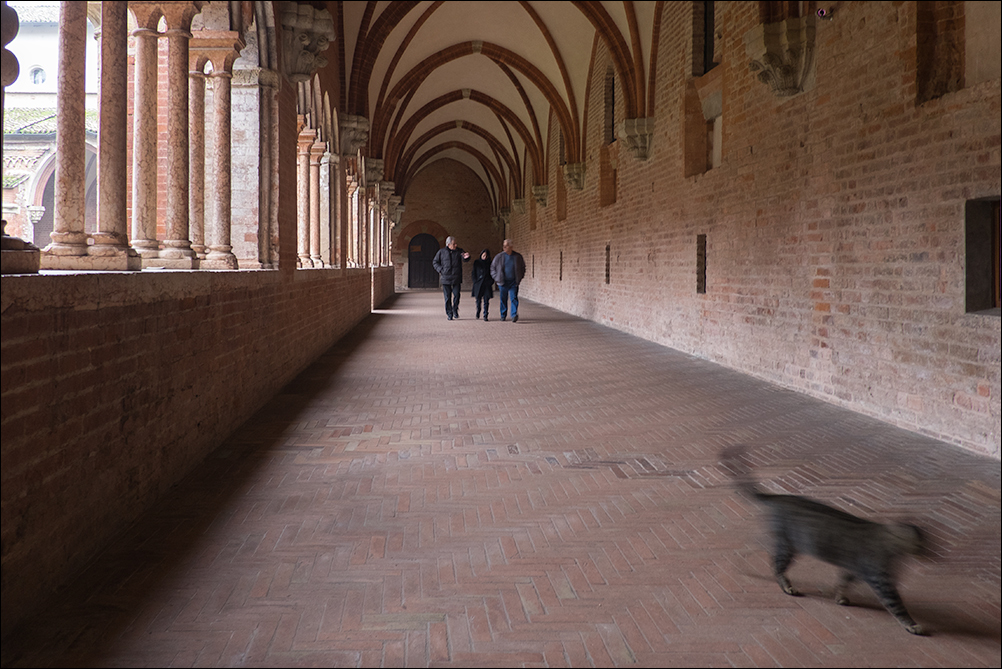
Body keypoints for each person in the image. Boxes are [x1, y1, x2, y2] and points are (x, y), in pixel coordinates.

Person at [432, 236, 470, 320]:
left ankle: (455, 310)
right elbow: (435, 262)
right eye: (454, 244)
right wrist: (441, 270)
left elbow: (464, 258)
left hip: (456, 277)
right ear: (448, 244)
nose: (456, 245)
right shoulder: (441, 252)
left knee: (457, 295)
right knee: (447, 297)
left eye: (456, 243)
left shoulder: (459, 251)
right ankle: (449, 313)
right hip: (446, 278)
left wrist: (467, 257)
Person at [490, 238, 526, 322]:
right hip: (503, 282)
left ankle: (514, 315)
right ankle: (503, 315)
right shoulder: (499, 257)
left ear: (511, 247)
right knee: (503, 299)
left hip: (513, 282)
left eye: (506, 246)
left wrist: (520, 277)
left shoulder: (517, 257)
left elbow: (522, 267)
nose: (504, 248)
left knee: (514, 298)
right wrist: (496, 277)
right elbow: (492, 268)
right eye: (504, 246)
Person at [471, 248, 494, 321]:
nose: (484, 257)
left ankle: (485, 314)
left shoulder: (490, 263)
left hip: (486, 284)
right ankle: (478, 311)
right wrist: (475, 281)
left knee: (486, 300)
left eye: (486, 256)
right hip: (478, 284)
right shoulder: (477, 262)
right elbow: (473, 272)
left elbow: (492, 273)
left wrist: (491, 282)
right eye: (483, 255)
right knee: (478, 300)